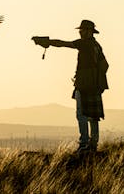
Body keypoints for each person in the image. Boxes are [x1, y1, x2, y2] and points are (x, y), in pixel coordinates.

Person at [32, 20, 108, 153]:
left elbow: (63, 44)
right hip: (94, 84)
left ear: (89, 31)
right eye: (80, 29)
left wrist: (48, 42)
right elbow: (105, 65)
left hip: (84, 84)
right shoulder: (97, 45)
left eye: (83, 30)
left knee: (82, 114)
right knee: (93, 116)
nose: (80, 32)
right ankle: (93, 144)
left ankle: (84, 144)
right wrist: (98, 80)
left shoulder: (84, 43)